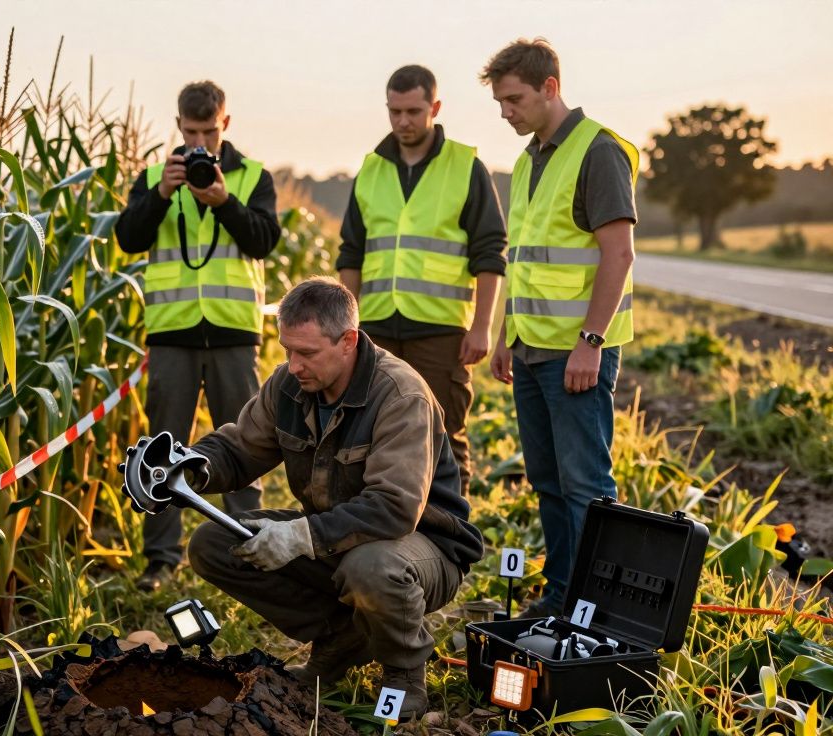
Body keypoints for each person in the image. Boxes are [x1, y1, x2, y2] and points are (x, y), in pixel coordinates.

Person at [178, 277, 484, 720]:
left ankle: (403, 673)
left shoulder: (400, 394)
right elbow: (239, 448)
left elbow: (394, 507)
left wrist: (300, 536)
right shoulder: (288, 385)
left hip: (422, 547)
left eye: (307, 353)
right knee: (214, 543)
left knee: (371, 568)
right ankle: (342, 639)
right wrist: (185, 468)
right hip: (336, 537)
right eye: (287, 350)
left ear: (348, 342)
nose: (293, 365)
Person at [481, 38, 638, 618]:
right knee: (548, 482)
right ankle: (559, 597)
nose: (506, 113)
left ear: (550, 88)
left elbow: (618, 254)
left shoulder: (598, 151)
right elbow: (524, 257)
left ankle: (594, 611)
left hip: (576, 353)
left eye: (514, 100)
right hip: (529, 349)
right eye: (500, 103)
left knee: (586, 486)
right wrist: (507, 334)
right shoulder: (529, 159)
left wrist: (590, 342)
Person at [115, 80, 281, 592]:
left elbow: (264, 241)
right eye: (191, 132)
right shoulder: (154, 178)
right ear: (179, 127)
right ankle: (160, 560)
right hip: (173, 333)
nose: (200, 142)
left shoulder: (252, 176)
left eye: (209, 131)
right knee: (160, 450)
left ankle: (248, 550)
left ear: (224, 123)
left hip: (233, 332)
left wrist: (225, 202)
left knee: (247, 443)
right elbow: (128, 238)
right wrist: (162, 194)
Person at [336, 65, 507, 497]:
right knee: (371, 436)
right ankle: (382, 529)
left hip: (442, 330)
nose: (403, 122)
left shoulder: (466, 167)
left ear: (435, 107)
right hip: (376, 330)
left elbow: (490, 252)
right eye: (394, 111)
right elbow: (351, 253)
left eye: (413, 111)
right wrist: (344, 328)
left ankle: (451, 533)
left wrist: (482, 327)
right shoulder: (371, 169)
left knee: (443, 436)